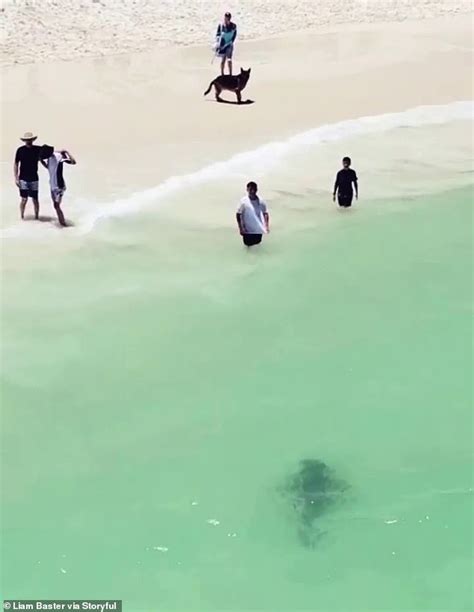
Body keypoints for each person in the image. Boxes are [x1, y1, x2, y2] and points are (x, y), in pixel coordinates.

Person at [39, 145, 76, 227]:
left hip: (59, 186)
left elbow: (73, 162)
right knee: (55, 206)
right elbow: (49, 168)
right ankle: (62, 224)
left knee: (56, 205)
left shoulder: (59, 157)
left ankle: (64, 225)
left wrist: (66, 152)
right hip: (52, 185)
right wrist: (41, 161)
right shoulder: (48, 158)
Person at [14, 132, 42, 220]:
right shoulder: (20, 150)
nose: (28, 141)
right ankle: (22, 216)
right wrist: (16, 177)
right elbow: (16, 163)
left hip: (34, 178)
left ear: (33, 140)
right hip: (23, 178)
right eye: (27, 140)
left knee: (35, 199)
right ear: (24, 140)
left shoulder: (38, 149)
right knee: (24, 199)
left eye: (30, 139)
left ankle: (37, 217)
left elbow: (49, 152)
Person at [236, 181, 270, 247]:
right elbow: (238, 214)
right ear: (247, 190)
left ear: (257, 189)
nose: (252, 191)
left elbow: (265, 213)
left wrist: (266, 226)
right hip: (247, 231)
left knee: (257, 247)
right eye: (250, 189)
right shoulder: (243, 201)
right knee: (248, 247)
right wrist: (241, 228)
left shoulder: (261, 201)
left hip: (258, 230)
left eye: (254, 189)